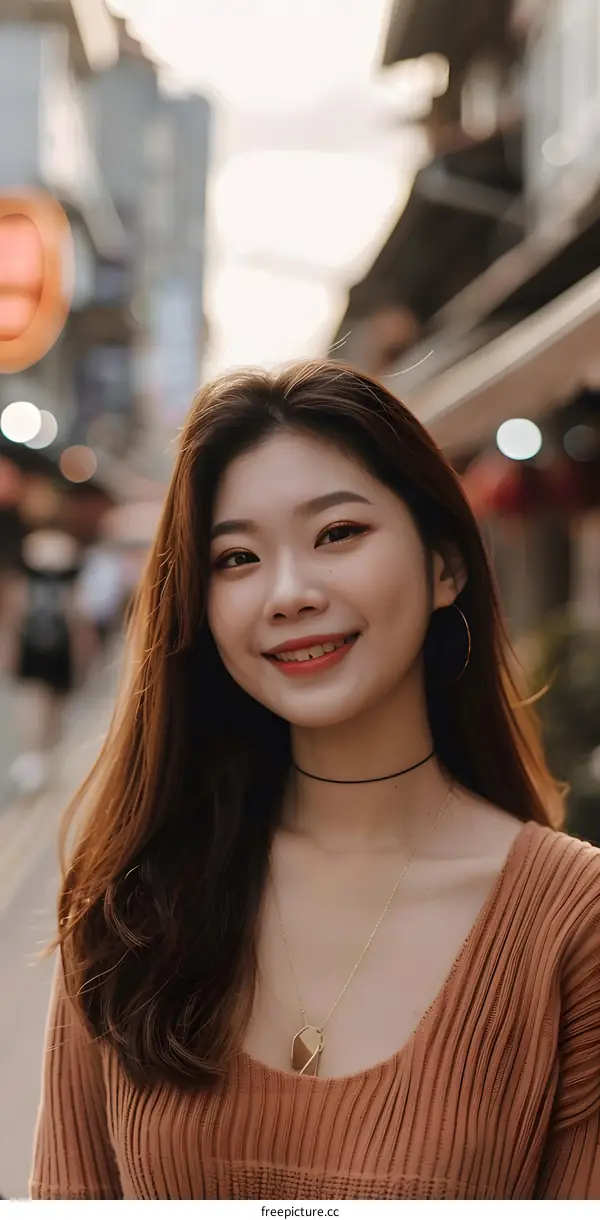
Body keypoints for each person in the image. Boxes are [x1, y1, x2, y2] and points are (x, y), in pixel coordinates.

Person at [31, 362, 600, 1201]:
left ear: (447, 565)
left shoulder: (570, 926)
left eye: (337, 534)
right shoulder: (131, 897)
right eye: (236, 557)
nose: (289, 593)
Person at [7, 529, 83, 795]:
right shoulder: (44, 574)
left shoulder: (33, 575)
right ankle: (38, 755)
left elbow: (75, 615)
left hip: (45, 644)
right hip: (42, 644)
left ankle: (40, 755)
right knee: (39, 701)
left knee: (46, 701)